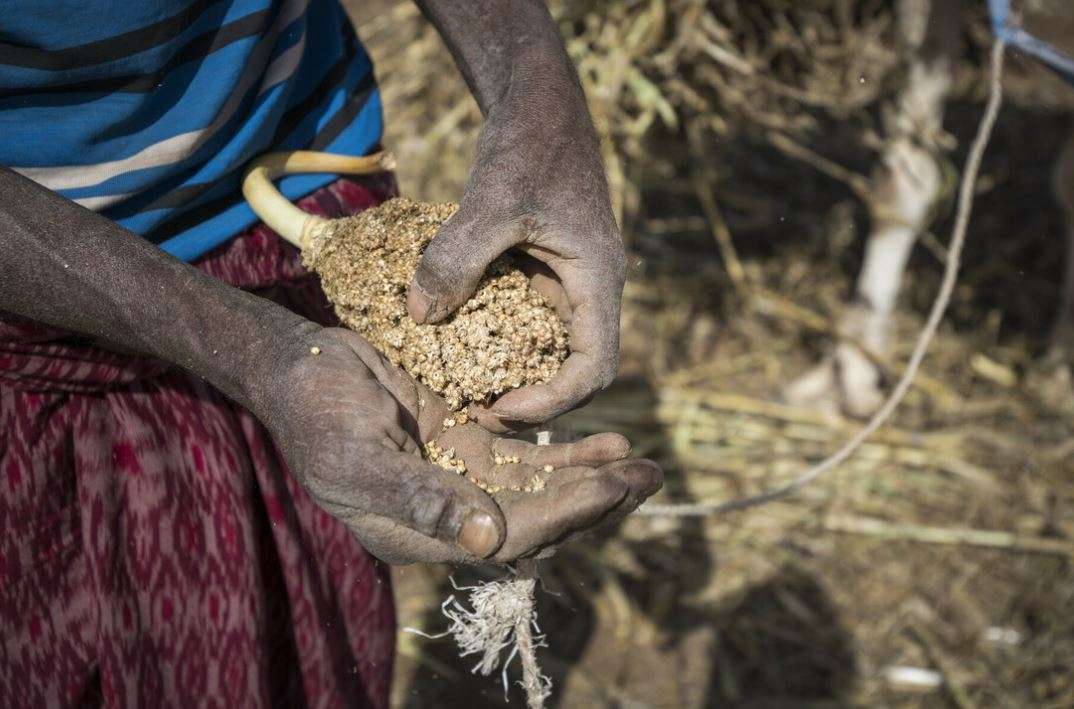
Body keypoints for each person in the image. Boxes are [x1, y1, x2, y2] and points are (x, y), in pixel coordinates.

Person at [0, 1, 662, 705]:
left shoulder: (356, 266)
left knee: (320, 609)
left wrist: (542, 107)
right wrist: (252, 347)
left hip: (310, 166)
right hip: (52, 296)